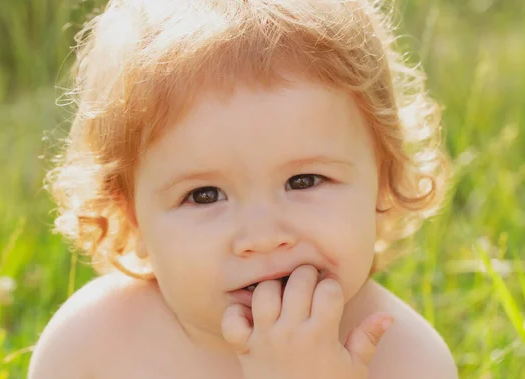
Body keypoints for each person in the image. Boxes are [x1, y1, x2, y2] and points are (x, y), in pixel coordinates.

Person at [28, 0, 459, 378]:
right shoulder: (92, 349)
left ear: (382, 185)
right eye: (204, 195)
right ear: (131, 220)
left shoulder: (408, 361)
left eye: (303, 181)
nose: (263, 237)